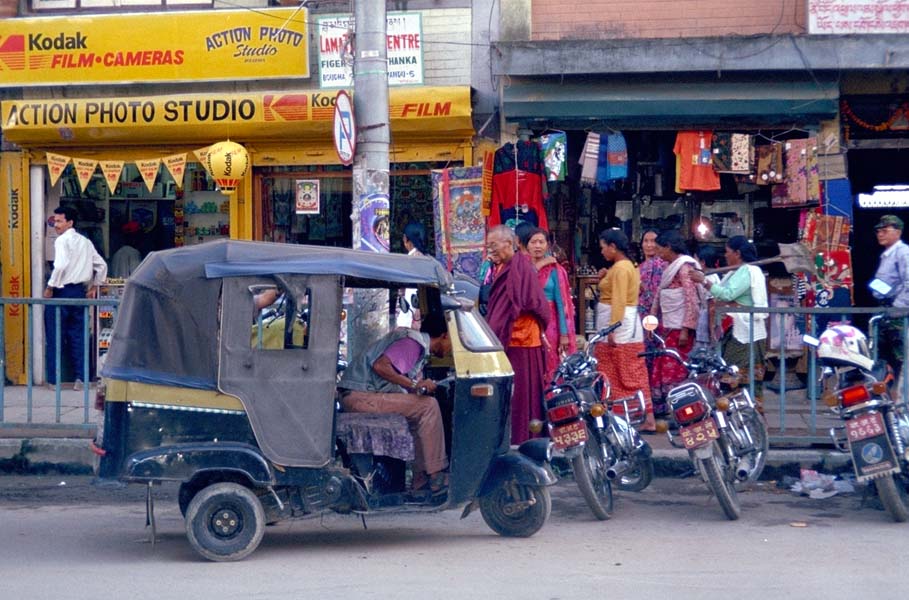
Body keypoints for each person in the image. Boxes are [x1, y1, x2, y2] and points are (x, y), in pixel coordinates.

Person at [337, 312, 452, 496]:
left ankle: (420, 480)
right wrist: (414, 384)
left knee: (419, 413)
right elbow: (380, 366)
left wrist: (415, 388)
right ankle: (436, 474)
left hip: (360, 394)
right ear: (445, 335)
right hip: (360, 396)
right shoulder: (413, 343)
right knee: (428, 406)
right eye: (452, 342)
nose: (451, 349)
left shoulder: (415, 345)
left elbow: (394, 378)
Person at [484, 224, 551, 444]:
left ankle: (525, 438)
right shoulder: (502, 268)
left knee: (523, 395)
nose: (490, 250)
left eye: (494, 245)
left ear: (508, 243)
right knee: (513, 394)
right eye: (488, 246)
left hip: (521, 341)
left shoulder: (520, 266)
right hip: (510, 339)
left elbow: (533, 302)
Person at [690, 236, 768, 406]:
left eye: (727, 252)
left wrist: (704, 281)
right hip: (734, 330)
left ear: (737, 253)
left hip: (746, 334)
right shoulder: (737, 272)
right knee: (732, 377)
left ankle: (749, 419)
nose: (725, 256)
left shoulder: (749, 271)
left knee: (738, 378)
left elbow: (727, 295)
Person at [595, 229, 655, 431]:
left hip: (619, 324)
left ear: (613, 247)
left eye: (603, 247)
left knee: (622, 367)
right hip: (626, 322)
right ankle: (638, 415)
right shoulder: (628, 266)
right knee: (627, 367)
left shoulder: (621, 268)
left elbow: (619, 299)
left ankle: (635, 416)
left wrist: (612, 328)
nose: (602, 251)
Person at [43, 206, 108, 389]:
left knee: (55, 336)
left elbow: (61, 265)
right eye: (55, 221)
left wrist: (50, 287)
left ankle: (55, 380)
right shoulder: (85, 242)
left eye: (59, 221)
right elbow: (101, 265)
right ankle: (81, 378)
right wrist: (95, 285)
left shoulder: (62, 240)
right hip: (79, 293)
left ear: (70, 223)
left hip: (61, 292)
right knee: (78, 337)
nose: (56, 225)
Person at [649, 230, 702, 415]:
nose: (656, 253)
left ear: (668, 247)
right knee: (664, 367)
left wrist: (686, 329)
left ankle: (682, 411)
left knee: (677, 369)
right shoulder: (670, 267)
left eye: (658, 249)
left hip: (679, 329)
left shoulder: (684, 267)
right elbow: (659, 295)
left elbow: (691, 299)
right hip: (666, 328)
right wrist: (652, 319)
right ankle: (670, 410)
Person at [527, 227, 577, 382]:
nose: (537, 246)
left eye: (541, 242)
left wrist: (564, 334)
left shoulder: (556, 270)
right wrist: (539, 266)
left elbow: (562, 304)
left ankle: (553, 403)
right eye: (533, 242)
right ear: (526, 245)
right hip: (528, 323)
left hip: (551, 325)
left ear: (547, 245)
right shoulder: (523, 268)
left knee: (551, 363)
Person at [871, 214, 909, 378]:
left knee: (901, 358)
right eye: (878, 231)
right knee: (883, 358)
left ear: (898, 232)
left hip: (898, 315)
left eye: (885, 230)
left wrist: (898, 307)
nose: (880, 234)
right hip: (885, 311)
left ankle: (904, 398)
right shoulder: (887, 254)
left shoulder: (903, 252)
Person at [396, 221, 427, 328]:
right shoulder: (426, 259)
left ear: (405, 239)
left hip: (411, 318)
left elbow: (407, 294)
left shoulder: (409, 261)